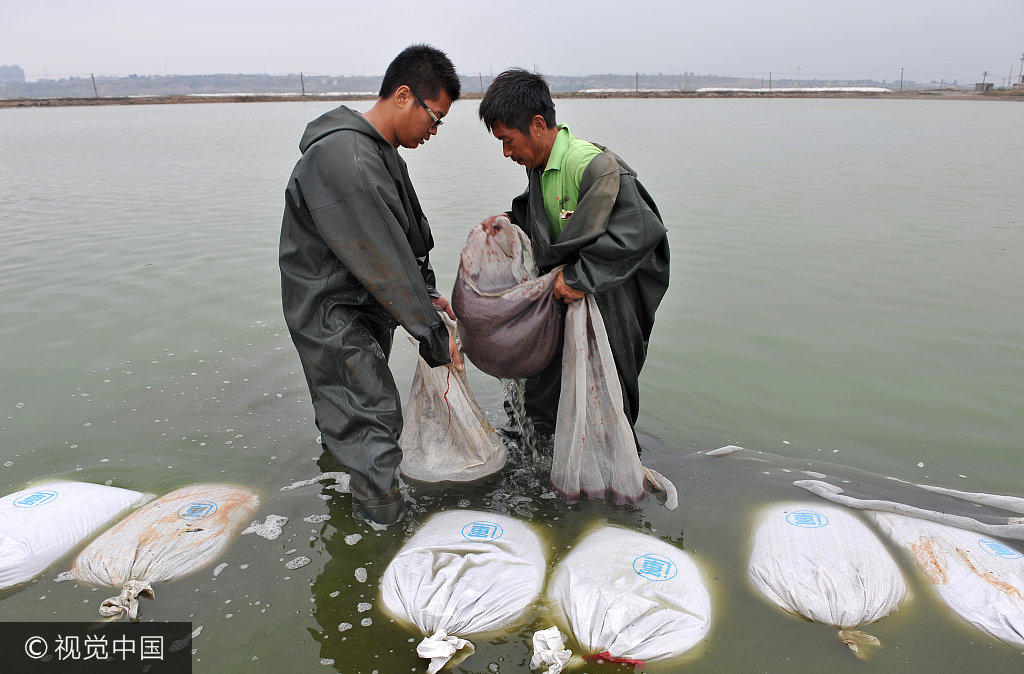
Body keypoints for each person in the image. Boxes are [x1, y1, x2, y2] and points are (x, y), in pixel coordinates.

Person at [280, 44, 463, 526]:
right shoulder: (347, 158)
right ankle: (379, 532)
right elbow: (382, 258)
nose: (434, 131)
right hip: (332, 314)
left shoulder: (380, 153)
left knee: (353, 414)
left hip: (363, 306)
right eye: (435, 117)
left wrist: (426, 296)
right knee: (374, 419)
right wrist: (433, 336)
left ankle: (348, 494)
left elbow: (407, 238)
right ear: (404, 96)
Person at [477, 69, 669, 443]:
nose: (505, 152)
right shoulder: (541, 166)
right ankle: (543, 451)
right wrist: (507, 223)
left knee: (607, 388)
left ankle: (614, 468)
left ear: (537, 125)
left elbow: (642, 230)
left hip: (614, 295)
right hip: (575, 288)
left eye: (507, 139)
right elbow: (538, 215)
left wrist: (581, 278)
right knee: (544, 384)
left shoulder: (589, 165)